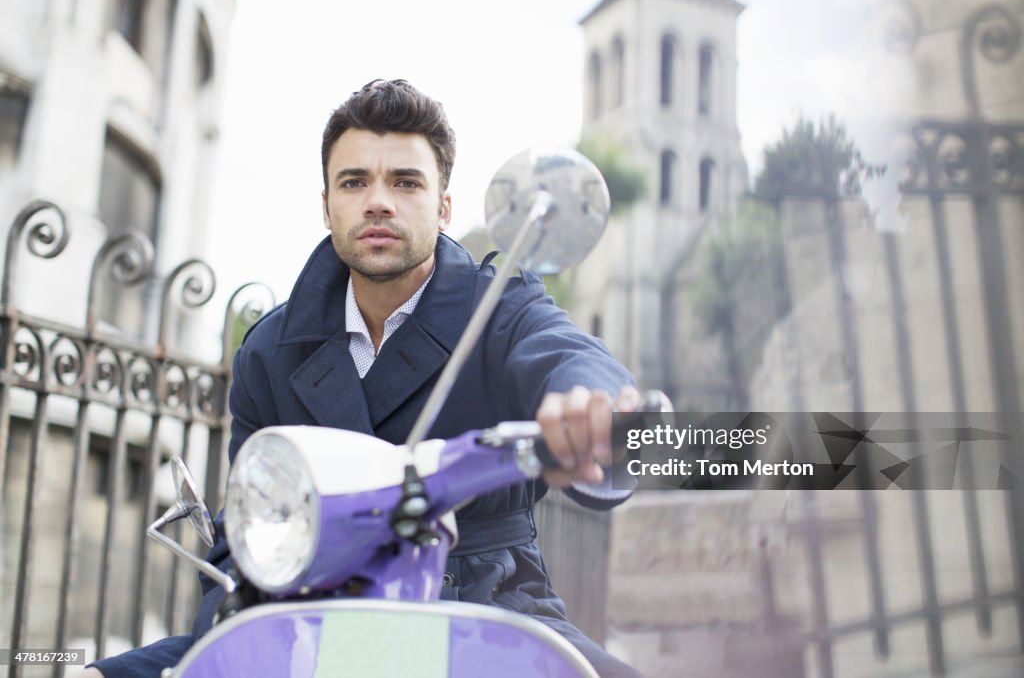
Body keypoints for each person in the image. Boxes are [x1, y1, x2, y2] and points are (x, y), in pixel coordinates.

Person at [81, 79, 642, 678]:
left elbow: (567, 353)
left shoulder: (499, 305)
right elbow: (248, 526)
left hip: (487, 613)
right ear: (327, 205)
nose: (379, 202)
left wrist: (588, 405)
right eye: (354, 182)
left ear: (443, 205)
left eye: (406, 181)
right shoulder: (271, 350)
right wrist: (237, 637)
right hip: (308, 622)